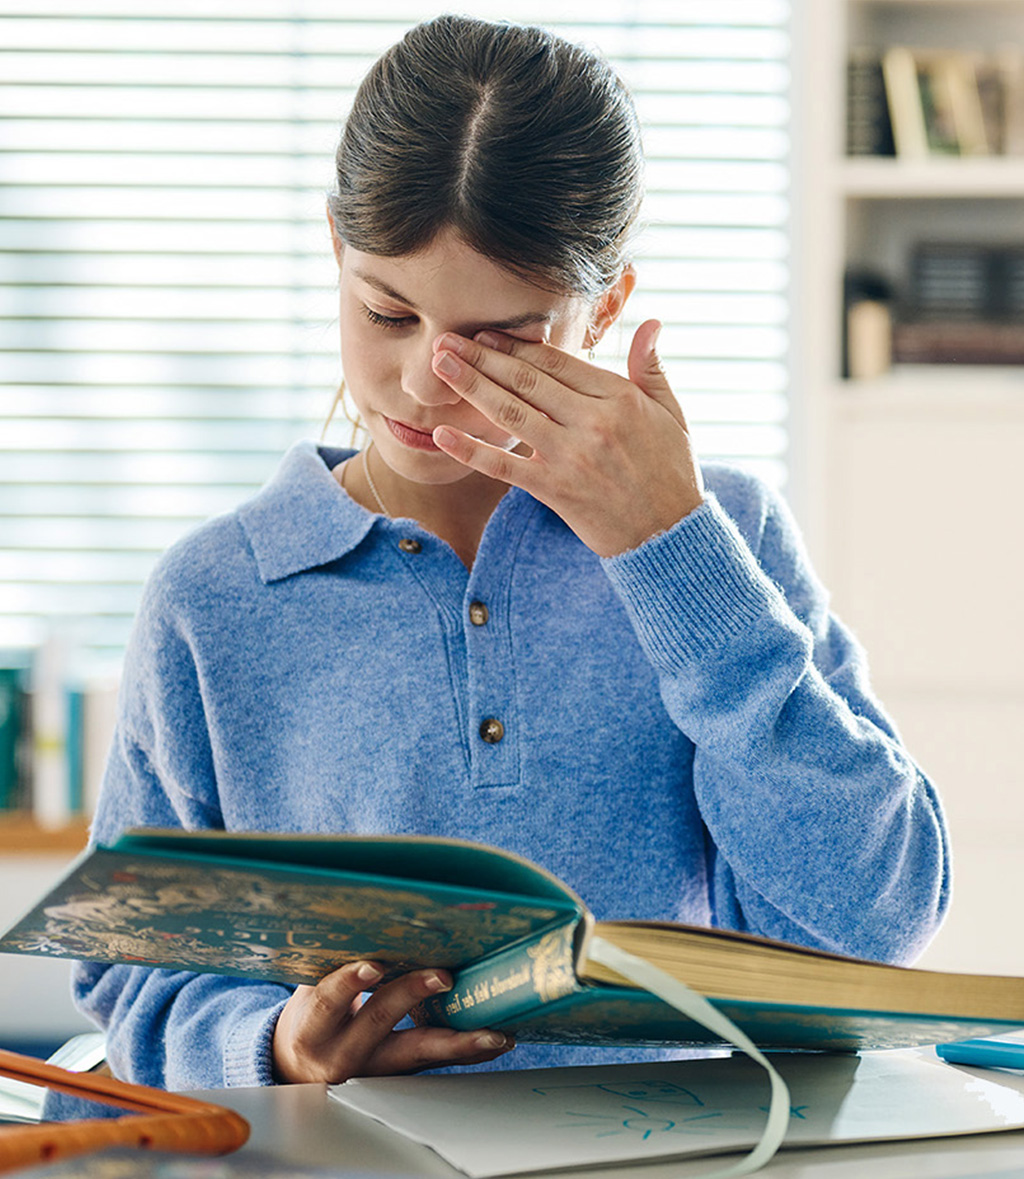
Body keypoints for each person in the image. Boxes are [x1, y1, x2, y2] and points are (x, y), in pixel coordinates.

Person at [73, 14, 950, 1090]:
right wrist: (275, 1048)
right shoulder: (214, 599)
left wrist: (664, 549)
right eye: (386, 312)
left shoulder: (718, 541)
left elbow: (872, 924)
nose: (427, 382)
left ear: (609, 306)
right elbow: (130, 977)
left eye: (500, 340)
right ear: (334, 252)